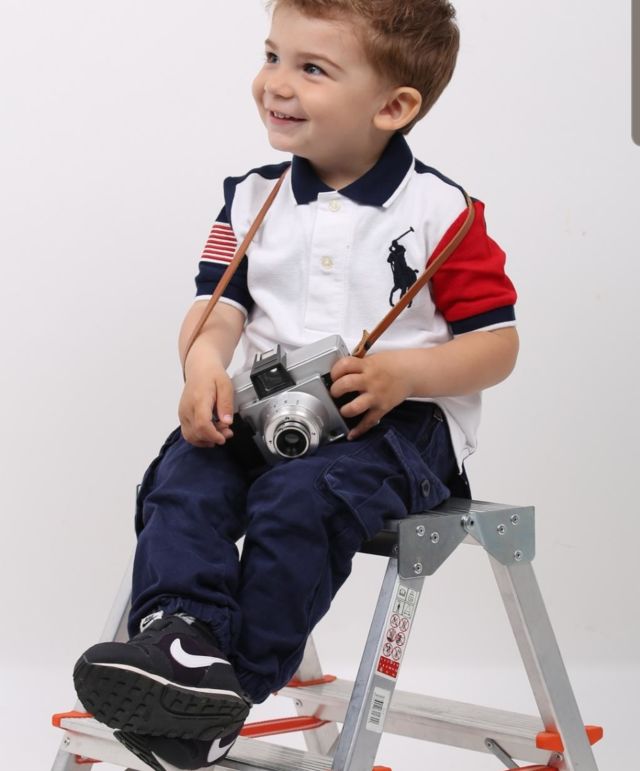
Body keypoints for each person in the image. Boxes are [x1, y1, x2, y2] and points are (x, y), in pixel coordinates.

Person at [73, 1, 519, 768]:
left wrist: (403, 372)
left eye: (311, 68)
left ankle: (228, 689)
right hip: (269, 408)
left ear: (392, 107)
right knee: (185, 472)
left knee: (300, 498)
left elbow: (497, 345)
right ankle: (183, 637)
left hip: (394, 428)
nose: (275, 82)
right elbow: (218, 308)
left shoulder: (443, 212)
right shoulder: (252, 198)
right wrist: (203, 364)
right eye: (272, 55)